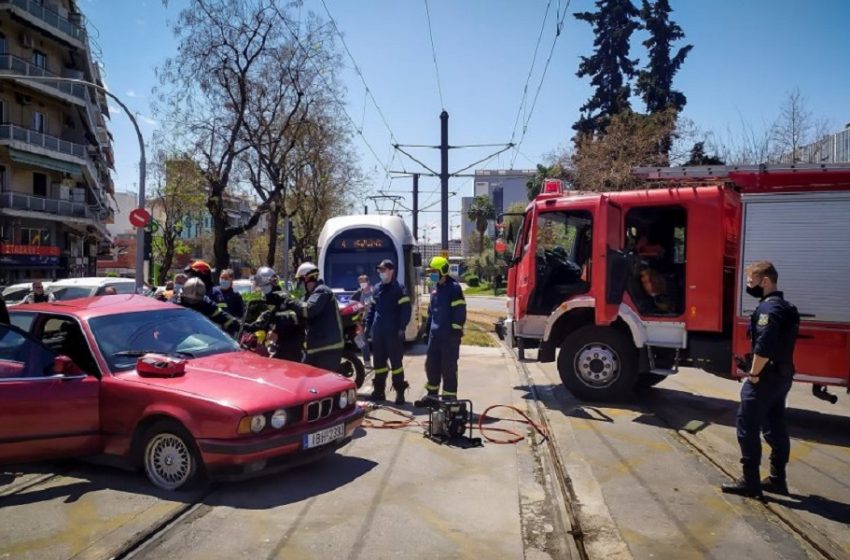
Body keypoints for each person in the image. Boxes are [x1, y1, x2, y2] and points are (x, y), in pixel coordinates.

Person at [722, 261, 799, 499]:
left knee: (747, 426)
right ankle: (777, 479)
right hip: (782, 376)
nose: (748, 285)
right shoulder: (787, 307)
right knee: (776, 425)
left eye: (750, 281)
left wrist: (753, 374)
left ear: (765, 281)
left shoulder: (769, 310)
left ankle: (750, 481)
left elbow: (764, 346)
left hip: (765, 378)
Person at [414, 256, 466, 407]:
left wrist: (456, 331)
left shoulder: (454, 288)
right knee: (432, 366)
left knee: (448, 368)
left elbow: (460, 311)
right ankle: (432, 397)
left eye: (434, 271)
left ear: (443, 270)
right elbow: (432, 313)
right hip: (434, 337)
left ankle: (449, 399)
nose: (432, 274)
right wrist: (426, 331)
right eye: (430, 271)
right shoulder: (435, 289)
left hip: (449, 337)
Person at [364, 259, 412, 404]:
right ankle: (379, 391)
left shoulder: (400, 289)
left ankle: (400, 393)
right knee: (379, 364)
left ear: (391, 271)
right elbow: (372, 309)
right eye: (380, 270)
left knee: (396, 365)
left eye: (384, 270)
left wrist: (402, 328)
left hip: (393, 333)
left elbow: (406, 310)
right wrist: (367, 326)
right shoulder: (377, 288)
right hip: (378, 333)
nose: (381, 273)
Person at [282, 262, 344, 371]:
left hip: (327, 347)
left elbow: (309, 310)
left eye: (300, 281)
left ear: (306, 279)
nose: (299, 284)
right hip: (317, 345)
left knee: (323, 382)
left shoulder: (322, 291)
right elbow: (300, 311)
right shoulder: (310, 295)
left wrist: (290, 301)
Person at [247, 266, 303, 362]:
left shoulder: (282, 300)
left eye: (261, 288)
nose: (260, 292)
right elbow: (266, 321)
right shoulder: (274, 300)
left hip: (291, 352)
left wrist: (276, 333)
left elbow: (286, 323)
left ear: (266, 287)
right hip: (281, 349)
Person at [177, 277, 241, 338]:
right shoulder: (175, 303)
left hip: (203, 338)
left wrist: (238, 325)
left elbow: (221, 314)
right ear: (184, 294)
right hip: (178, 338)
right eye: (190, 299)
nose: (192, 302)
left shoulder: (206, 302)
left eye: (196, 300)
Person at [351, 274, 374, 367]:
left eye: (363, 281)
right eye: (360, 282)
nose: (361, 284)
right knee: (361, 341)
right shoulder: (359, 293)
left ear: (368, 281)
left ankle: (383, 362)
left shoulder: (374, 291)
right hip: (363, 320)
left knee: (378, 341)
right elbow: (355, 304)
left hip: (373, 320)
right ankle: (367, 362)